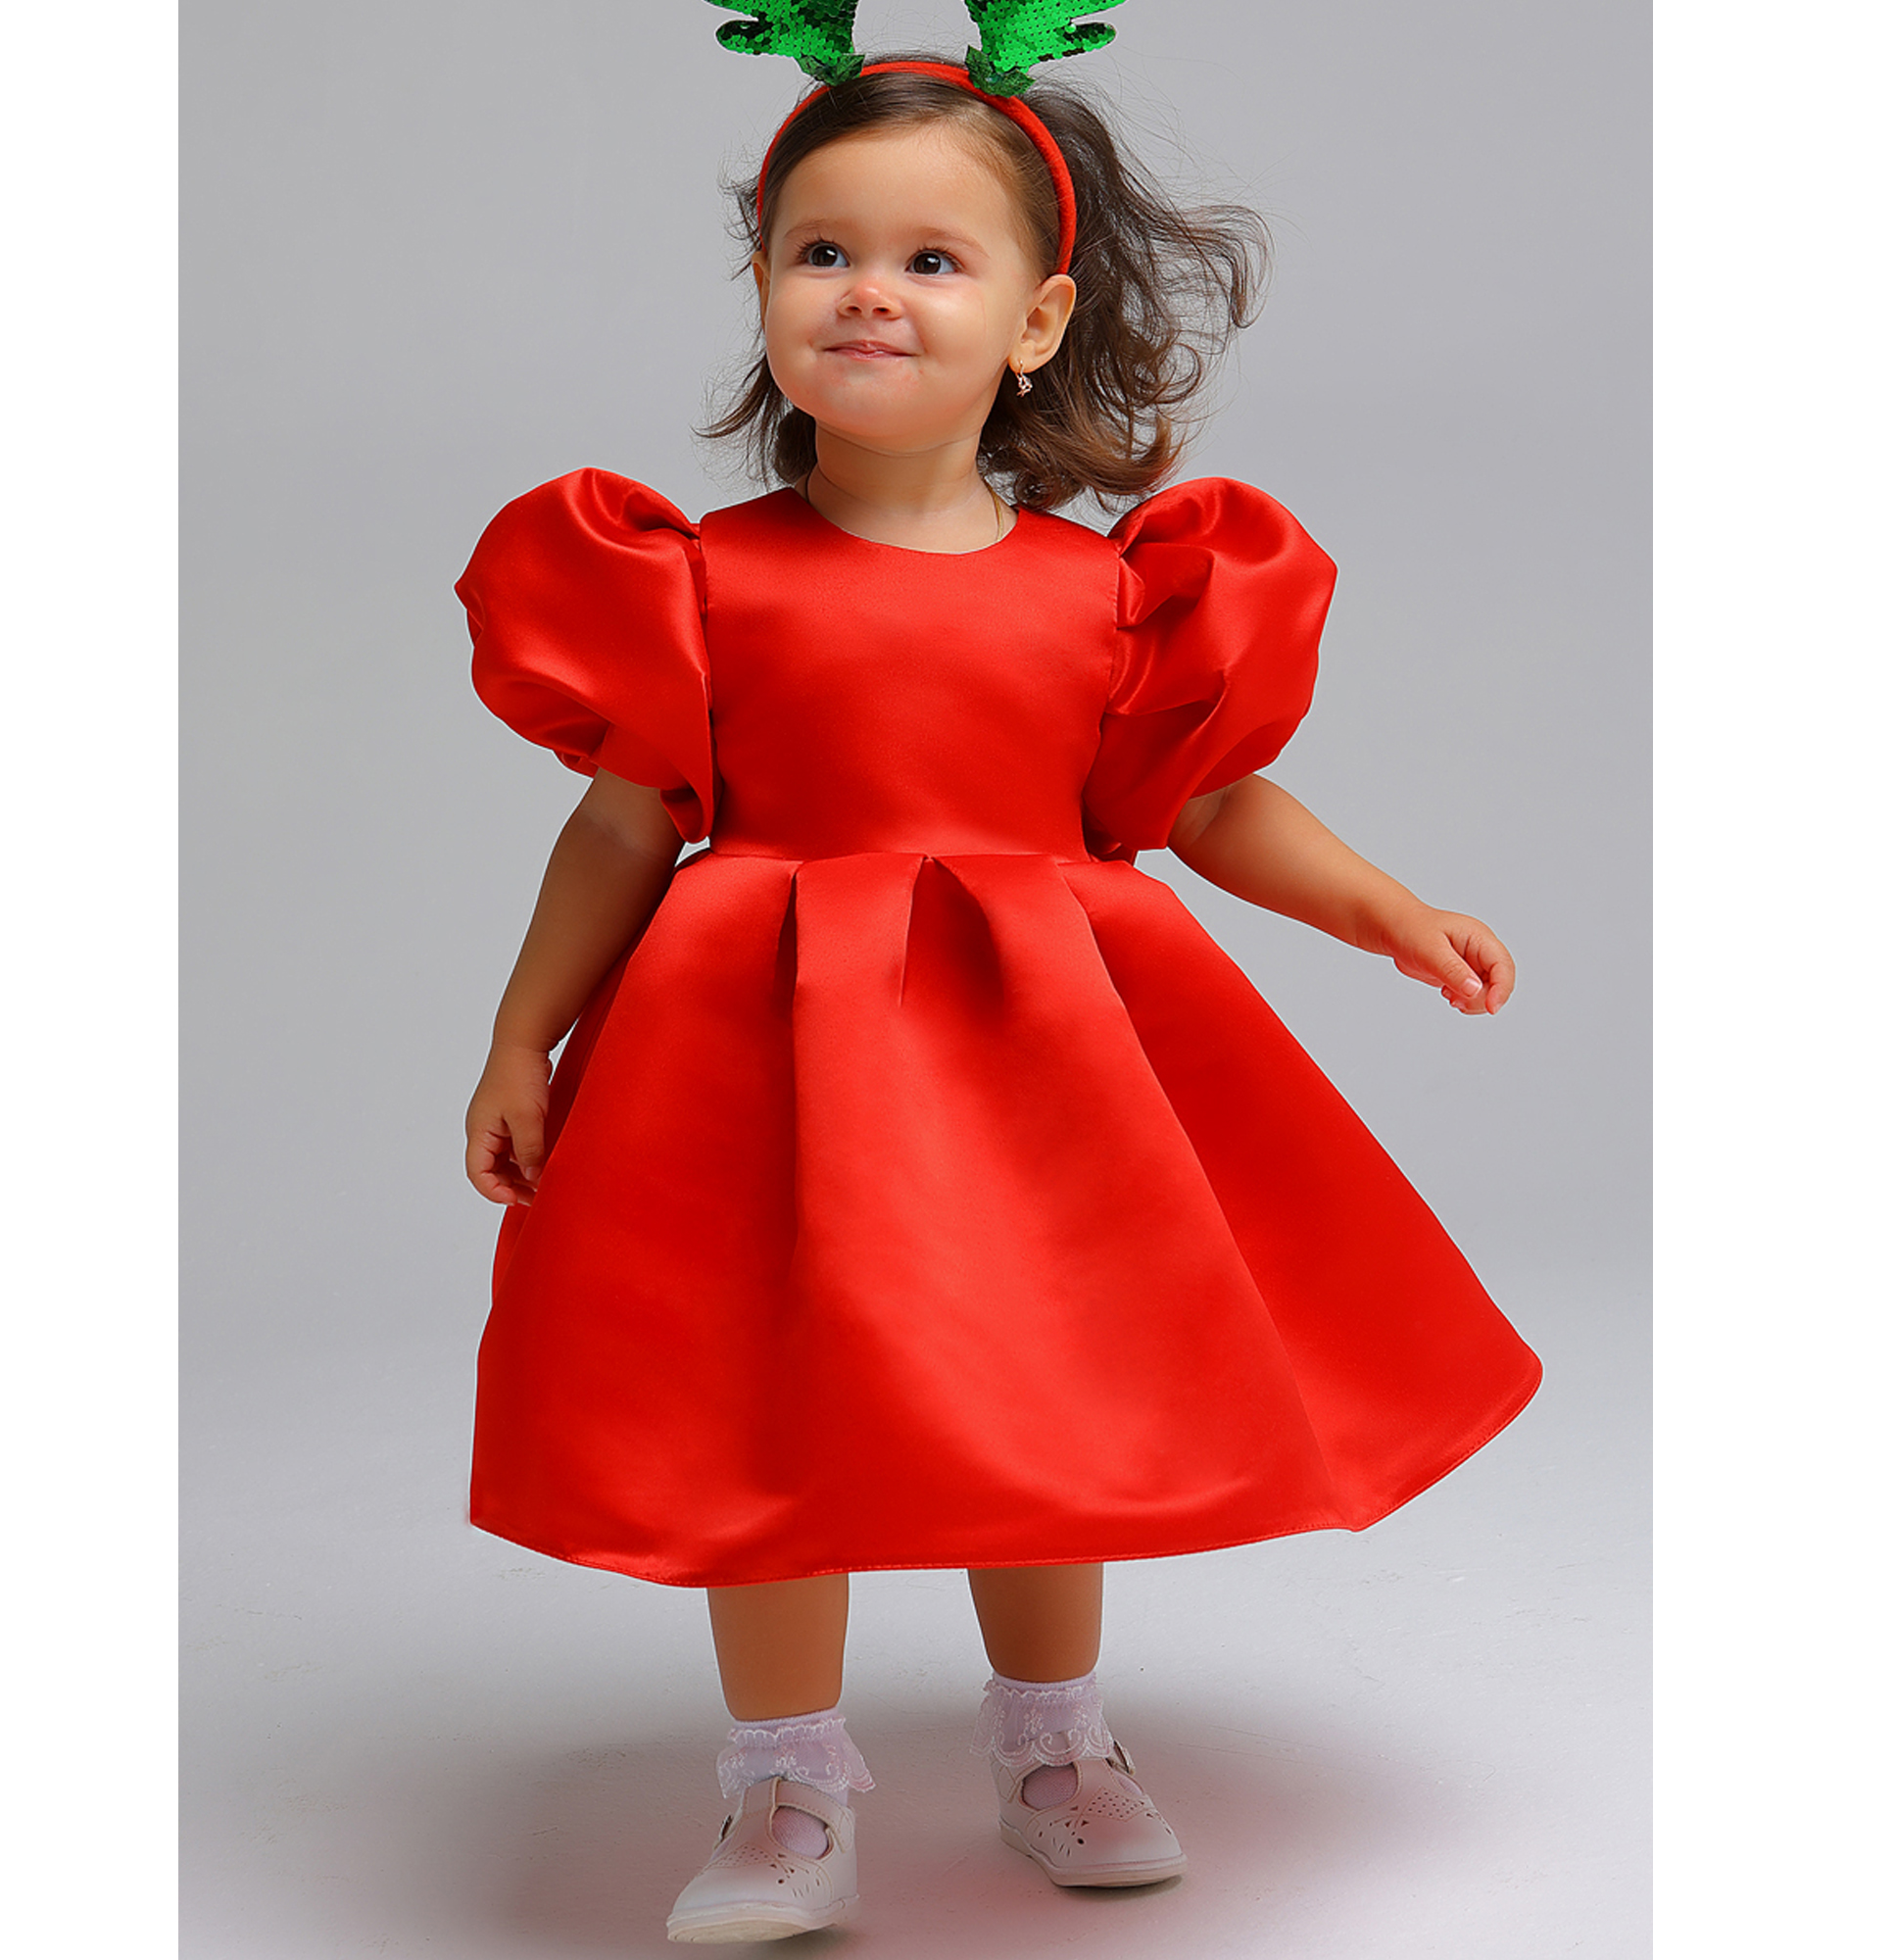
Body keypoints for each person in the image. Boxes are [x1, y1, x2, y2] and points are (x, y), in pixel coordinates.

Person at [459, 31, 1541, 1947]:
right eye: (821, 251)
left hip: (1036, 1060)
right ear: (762, 287)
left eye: (931, 260)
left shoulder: (1107, 592)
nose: (868, 290)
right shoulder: (693, 583)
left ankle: (1054, 1741)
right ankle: (784, 1779)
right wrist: (520, 1033)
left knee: (1042, 1390)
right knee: (768, 1416)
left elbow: (1207, 803)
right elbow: (623, 829)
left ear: (1037, 321)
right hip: (761, 1060)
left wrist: (1385, 909)